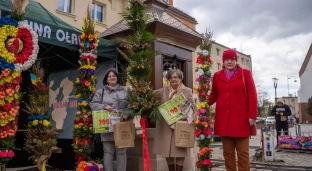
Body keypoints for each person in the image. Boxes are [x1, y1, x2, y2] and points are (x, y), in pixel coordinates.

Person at [208, 49, 257, 171]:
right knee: (228, 154)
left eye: (232, 59)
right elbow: (214, 94)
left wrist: (252, 116)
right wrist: (202, 105)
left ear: (236, 60)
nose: (229, 62)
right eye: (227, 59)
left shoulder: (245, 74)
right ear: (223, 61)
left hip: (242, 120)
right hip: (224, 120)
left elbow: (252, 95)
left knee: (243, 153)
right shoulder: (217, 76)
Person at [153, 69, 196, 171]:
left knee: (180, 150)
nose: (173, 79)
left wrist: (185, 116)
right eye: (171, 77)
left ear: (180, 79)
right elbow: (150, 98)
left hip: (180, 125)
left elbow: (193, 108)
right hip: (166, 126)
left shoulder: (188, 91)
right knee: (168, 151)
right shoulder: (163, 90)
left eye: (175, 77)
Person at [90, 70, 129, 171]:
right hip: (106, 125)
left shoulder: (126, 91)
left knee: (121, 152)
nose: (112, 77)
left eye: (114, 76)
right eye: (109, 76)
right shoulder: (101, 92)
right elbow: (93, 104)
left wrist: (127, 114)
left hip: (122, 124)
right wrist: (104, 106)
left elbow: (132, 105)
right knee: (108, 151)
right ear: (106, 79)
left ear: (117, 77)